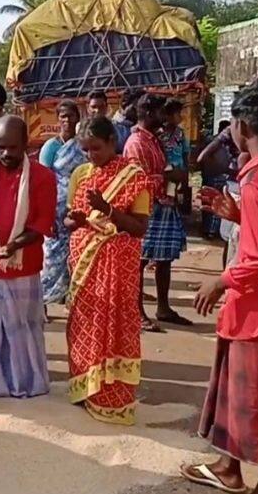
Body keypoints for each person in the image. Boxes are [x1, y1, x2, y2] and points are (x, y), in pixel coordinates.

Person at [184, 87, 258, 494]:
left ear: (241, 126)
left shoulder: (257, 179)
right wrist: (237, 214)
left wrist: (220, 281)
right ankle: (229, 468)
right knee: (246, 400)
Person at [64, 116, 152, 423]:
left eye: (97, 149)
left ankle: (110, 395)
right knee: (85, 325)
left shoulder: (133, 176)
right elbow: (69, 219)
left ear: (113, 142)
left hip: (118, 266)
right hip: (84, 263)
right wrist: (75, 220)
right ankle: (84, 387)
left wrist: (107, 210)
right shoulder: (80, 174)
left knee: (115, 323)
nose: (91, 156)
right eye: (86, 150)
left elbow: (139, 228)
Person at [0, 115, 56, 398]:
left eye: (12, 148)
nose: (5, 154)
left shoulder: (42, 176)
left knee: (23, 330)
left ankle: (25, 384)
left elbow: (42, 224)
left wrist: (14, 245)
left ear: (26, 145)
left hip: (23, 265)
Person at [125, 94, 191, 331]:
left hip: (164, 204)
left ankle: (163, 308)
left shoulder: (153, 139)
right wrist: (169, 176)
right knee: (139, 261)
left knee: (164, 259)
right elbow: (138, 181)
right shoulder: (137, 143)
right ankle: (137, 312)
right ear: (151, 114)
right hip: (148, 208)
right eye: (161, 113)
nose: (165, 117)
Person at [39, 100, 85, 304]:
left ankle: (69, 299)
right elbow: (42, 181)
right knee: (51, 258)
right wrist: (45, 215)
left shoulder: (83, 145)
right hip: (54, 209)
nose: (67, 120)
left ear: (77, 118)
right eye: (63, 116)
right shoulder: (51, 146)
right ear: (58, 119)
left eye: (71, 116)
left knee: (75, 256)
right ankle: (43, 302)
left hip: (76, 209)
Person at [197, 119, 236, 239]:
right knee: (212, 204)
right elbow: (202, 158)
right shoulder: (215, 142)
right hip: (215, 176)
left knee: (215, 204)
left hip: (219, 177)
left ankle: (212, 230)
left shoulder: (229, 144)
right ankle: (210, 230)